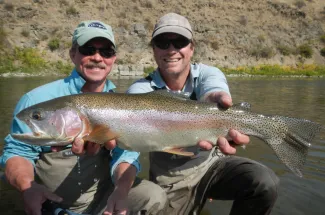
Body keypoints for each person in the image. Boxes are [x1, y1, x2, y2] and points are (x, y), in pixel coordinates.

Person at [0, 20, 167, 215]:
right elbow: (17, 152)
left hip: (103, 198)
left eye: (106, 52)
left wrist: (121, 192)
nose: (97, 57)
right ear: (73, 54)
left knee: (153, 196)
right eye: (88, 49)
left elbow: (127, 155)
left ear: (113, 59)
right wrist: (27, 187)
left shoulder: (122, 105)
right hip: (51, 203)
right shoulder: (37, 100)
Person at [125, 13, 280, 215]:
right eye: (162, 42)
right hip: (171, 181)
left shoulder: (209, 73)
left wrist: (215, 99)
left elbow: (214, 90)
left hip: (212, 167)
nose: (171, 50)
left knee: (264, 182)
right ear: (153, 49)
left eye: (179, 42)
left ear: (192, 47)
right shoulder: (139, 91)